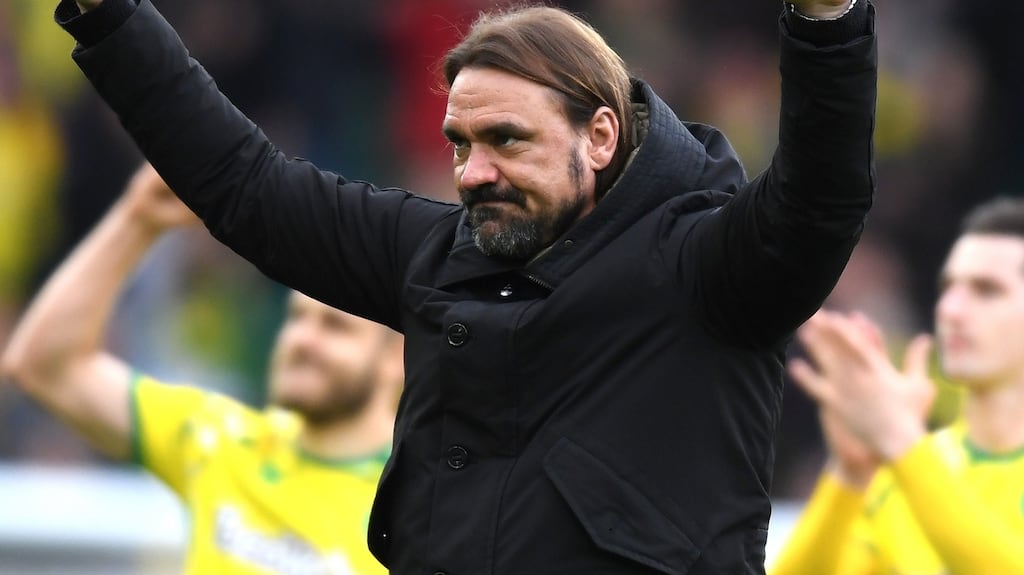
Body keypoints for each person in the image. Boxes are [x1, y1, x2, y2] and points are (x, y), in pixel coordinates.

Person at [53, 0, 877, 572]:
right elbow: (249, 188)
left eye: (506, 140)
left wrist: (826, 21)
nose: (474, 172)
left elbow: (818, 204)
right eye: (460, 143)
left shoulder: (708, 267)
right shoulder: (438, 253)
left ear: (599, 136)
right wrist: (108, 13)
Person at [0, 163, 404, 575]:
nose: (302, 339)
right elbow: (45, 364)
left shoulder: (420, 507)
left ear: (398, 358)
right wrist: (137, 219)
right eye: (296, 318)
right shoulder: (219, 440)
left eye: (336, 327)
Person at [769, 197, 1024, 574]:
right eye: (948, 287)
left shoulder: (911, 460)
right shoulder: (912, 469)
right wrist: (848, 474)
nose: (950, 309)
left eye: (986, 289)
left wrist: (901, 439)